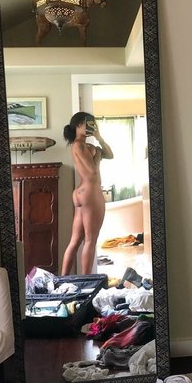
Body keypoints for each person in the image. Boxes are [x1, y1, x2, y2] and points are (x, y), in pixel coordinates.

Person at [61, 112, 113, 276]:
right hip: (90, 192)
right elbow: (92, 171)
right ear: (78, 125)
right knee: (90, 240)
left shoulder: (86, 146)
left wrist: (99, 137)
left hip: (81, 193)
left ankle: (62, 280)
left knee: (75, 241)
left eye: (93, 124)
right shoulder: (80, 145)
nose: (92, 126)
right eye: (88, 123)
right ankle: (86, 281)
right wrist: (97, 157)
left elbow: (110, 155)